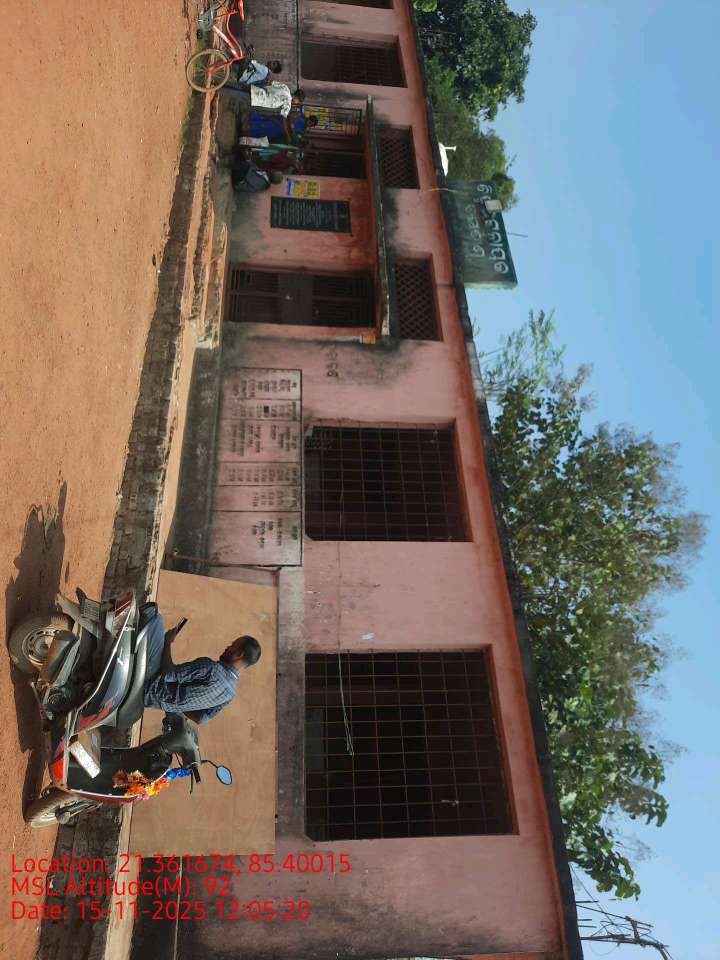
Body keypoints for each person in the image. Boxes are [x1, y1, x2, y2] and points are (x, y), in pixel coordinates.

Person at [142, 611, 261, 725]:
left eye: (232, 645)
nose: (227, 647)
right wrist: (176, 704)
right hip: (152, 702)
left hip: (148, 685)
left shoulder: (211, 669)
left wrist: (168, 641)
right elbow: (201, 718)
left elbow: (168, 674)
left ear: (238, 654)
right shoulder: (230, 695)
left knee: (155, 615)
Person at [222, 83, 303, 120]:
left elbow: (272, 83)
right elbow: (285, 115)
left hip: (257, 90)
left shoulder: (285, 87)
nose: (296, 103)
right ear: (297, 98)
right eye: (298, 101)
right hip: (257, 100)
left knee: (237, 86)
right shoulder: (287, 104)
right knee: (236, 95)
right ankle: (220, 90)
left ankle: (220, 82)